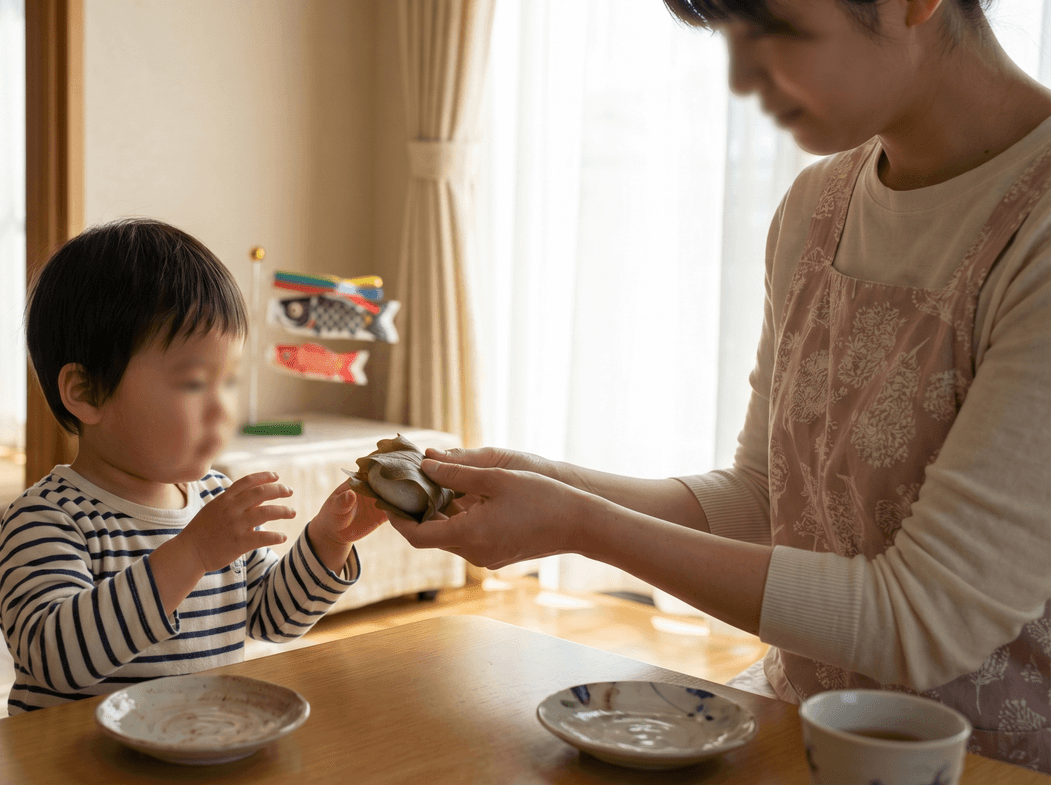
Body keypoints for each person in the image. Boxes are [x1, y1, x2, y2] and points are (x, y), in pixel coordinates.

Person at [388, 0, 1051, 771]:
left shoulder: (1035, 229)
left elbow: (926, 617)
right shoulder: (816, 207)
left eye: (777, 30)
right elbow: (765, 500)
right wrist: (550, 484)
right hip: (794, 725)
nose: (742, 79)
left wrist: (580, 524)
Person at [0, 218, 387, 713]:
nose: (223, 409)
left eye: (229, 382)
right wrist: (193, 552)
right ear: (87, 392)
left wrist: (329, 541)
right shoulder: (47, 519)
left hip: (200, 746)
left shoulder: (215, 499)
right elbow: (56, 657)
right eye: (195, 383)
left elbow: (272, 617)